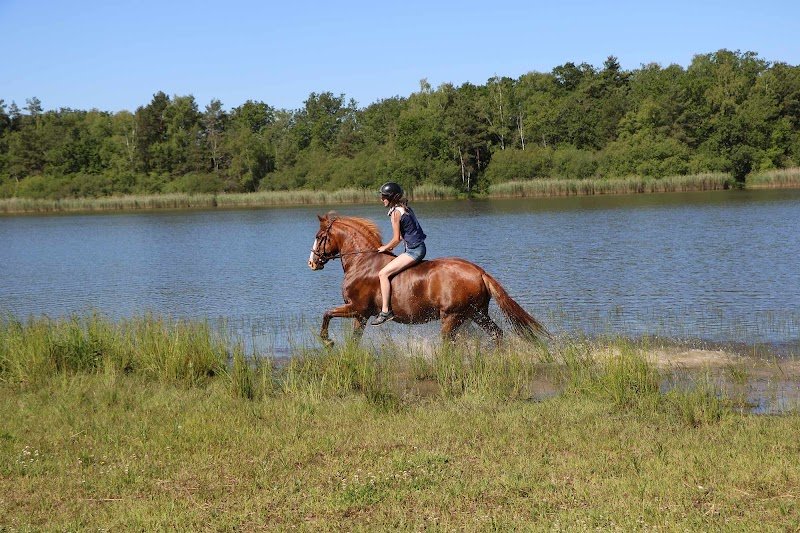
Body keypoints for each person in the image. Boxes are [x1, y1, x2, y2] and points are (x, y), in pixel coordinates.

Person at [371, 182, 427, 326]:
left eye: (384, 197)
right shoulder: (404, 208)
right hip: (418, 248)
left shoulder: (396, 213)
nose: (382, 199)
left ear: (392, 198)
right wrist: (390, 247)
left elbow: (396, 239)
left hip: (414, 251)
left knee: (383, 274)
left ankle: (385, 311)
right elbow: (403, 235)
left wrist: (385, 248)